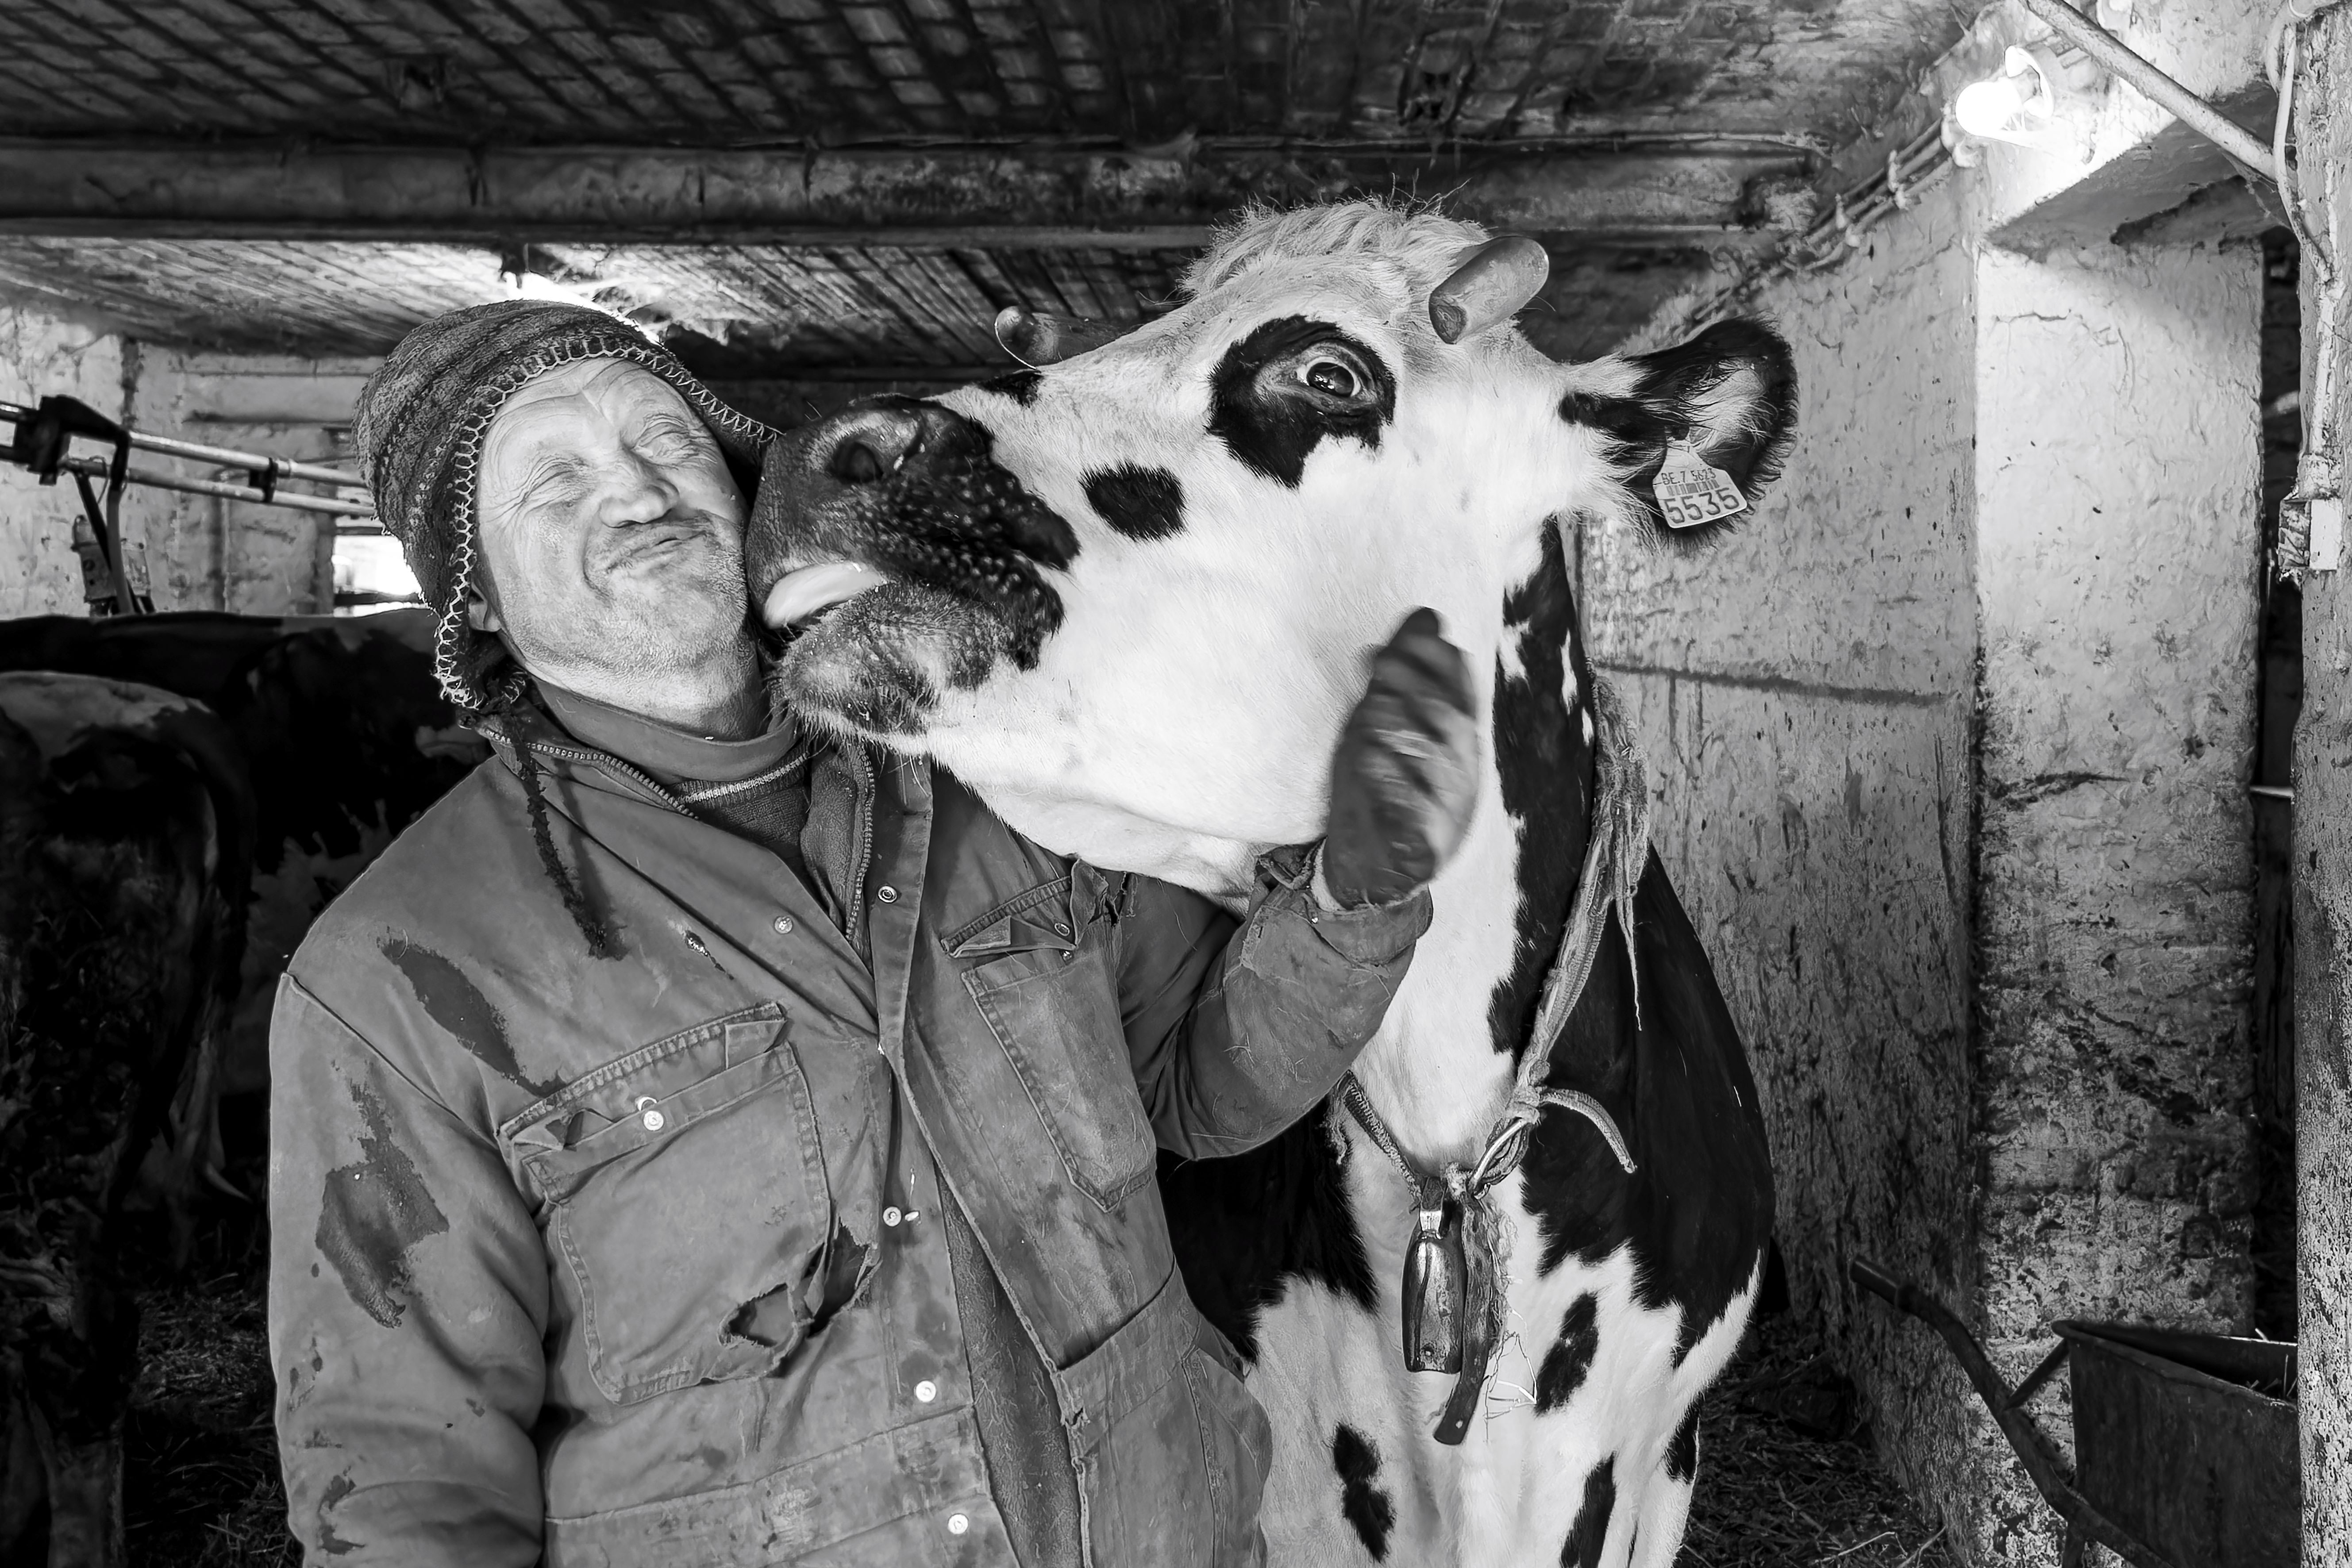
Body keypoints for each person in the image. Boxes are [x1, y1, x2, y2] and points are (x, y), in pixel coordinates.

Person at [267, 300, 1478, 1568]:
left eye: (666, 443)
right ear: (475, 605)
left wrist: (1352, 899)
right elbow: (403, 1487)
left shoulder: (994, 772)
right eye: (553, 482)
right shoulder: (401, 973)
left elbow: (1198, 1088)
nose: (637, 494)